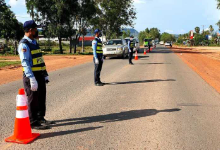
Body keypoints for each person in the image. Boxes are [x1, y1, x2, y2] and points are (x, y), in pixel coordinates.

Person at [18, 20, 54, 130]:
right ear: (30, 30)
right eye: (35, 29)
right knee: (33, 99)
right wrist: (31, 78)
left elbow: (40, 60)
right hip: (31, 76)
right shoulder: (24, 44)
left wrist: (45, 73)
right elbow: (25, 63)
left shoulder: (34, 42)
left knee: (41, 96)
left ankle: (40, 118)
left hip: (40, 75)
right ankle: (33, 122)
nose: (36, 31)